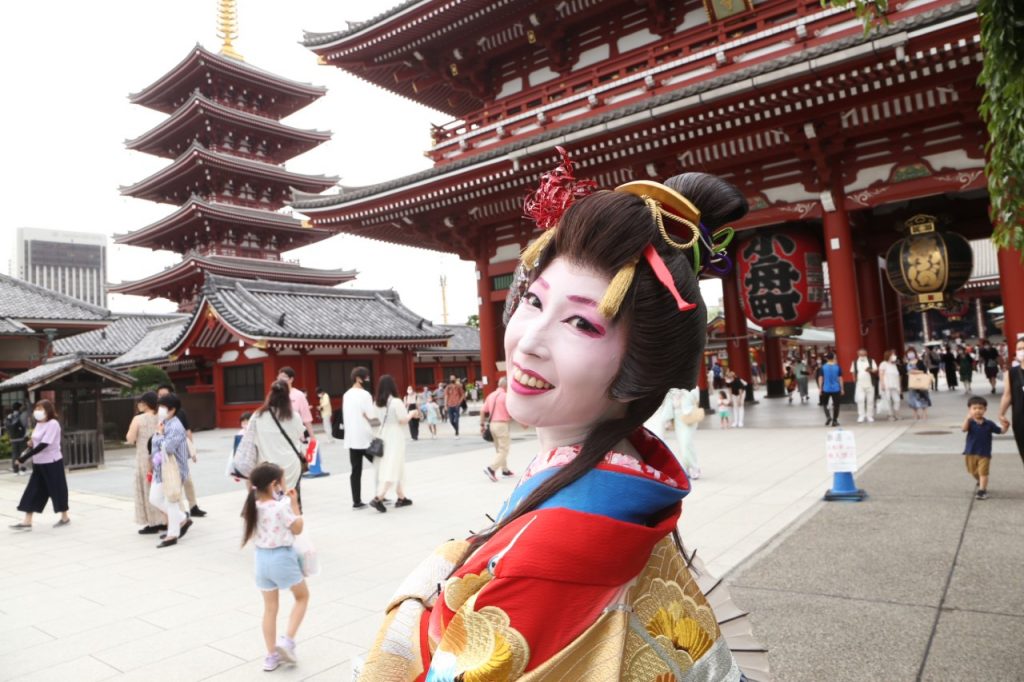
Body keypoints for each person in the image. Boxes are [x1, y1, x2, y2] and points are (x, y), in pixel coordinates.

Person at [356, 158, 765, 679]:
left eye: (580, 322)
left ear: (639, 363)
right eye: (532, 300)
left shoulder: (552, 553)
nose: (528, 341)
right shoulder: (627, 475)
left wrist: (437, 577)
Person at [241, 462, 309, 672]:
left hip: (261, 560)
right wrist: (295, 504)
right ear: (273, 484)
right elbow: (297, 528)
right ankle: (287, 641)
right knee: (302, 597)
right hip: (282, 557)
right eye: (281, 481)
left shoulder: (252, 507)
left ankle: (271, 656)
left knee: (270, 609)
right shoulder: (281, 507)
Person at [9, 400, 70, 531]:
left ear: (48, 410)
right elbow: (36, 442)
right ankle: (27, 521)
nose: (37, 411)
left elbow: (44, 444)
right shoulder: (39, 424)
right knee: (33, 490)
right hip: (39, 463)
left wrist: (24, 457)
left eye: (41, 408)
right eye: (37, 408)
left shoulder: (53, 424)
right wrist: (30, 443)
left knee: (57, 489)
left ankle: (65, 517)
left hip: (52, 462)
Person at [247, 381, 306, 510]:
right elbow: (299, 436)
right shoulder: (294, 416)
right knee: (291, 502)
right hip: (290, 466)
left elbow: (249, 436)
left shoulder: (258, 415)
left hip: (266, 467)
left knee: (266, 505)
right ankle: (294, 521)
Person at [149, 393, 193, 548]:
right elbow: (155, 446)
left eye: (164, 407)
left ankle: (172, 534)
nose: (160, 409)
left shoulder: (175, 426)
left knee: (171, 500)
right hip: (161, 468)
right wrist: (159, 434)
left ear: (173, 409)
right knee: (154, 498)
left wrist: (159, 435)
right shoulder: (164, 422)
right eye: (159, 406)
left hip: (174, 470)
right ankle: (181, 519)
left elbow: (167, 448)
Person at [156, 385, 207, 517]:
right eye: (159, 395)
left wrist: (192, 451)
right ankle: (183, 513)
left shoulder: (179, 413)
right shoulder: (161, 416)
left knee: (186, 480)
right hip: (168, 459)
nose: (161, 397)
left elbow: (187, 431)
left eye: (164, 395)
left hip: (178, 455)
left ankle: (192, 507)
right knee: (175, 485)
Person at [368, 374, 413, 513]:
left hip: (383, 434)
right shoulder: (396, 402)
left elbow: (374, 421)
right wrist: (412, 413)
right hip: (395, 435)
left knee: (394, 464)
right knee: (393, 464)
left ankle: (401, 496)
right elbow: (402, 420)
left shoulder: (376, 403)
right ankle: (379, 497)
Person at [125, 391, 165, 535]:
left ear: (146, 403)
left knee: (147, 488)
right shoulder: (162, 417)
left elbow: (130, 438)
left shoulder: (138, 419)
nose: (138, 405)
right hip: (161, 455)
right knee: (161, 488)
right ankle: (165, 519)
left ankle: (153, 523)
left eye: (140, 402)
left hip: (144, 457)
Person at [342, 367, 376, 509]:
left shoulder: (346, 395)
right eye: (365, 377)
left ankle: (356, 501)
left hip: (351, 439)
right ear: (358, 378)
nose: (367, 380)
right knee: (381, 464)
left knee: (355, 471)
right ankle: (381, 495)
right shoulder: (365, 395)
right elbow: (371, 416)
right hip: (366, 438)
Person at [961, 396, 1001, 500]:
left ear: (985, 410)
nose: (978, 410)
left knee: (983, 472)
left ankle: (982, 491)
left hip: (984, 453)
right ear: (970, 410)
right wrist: (967, 419)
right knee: (973, 471)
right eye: (974, 408)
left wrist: (1006, 426)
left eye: (980, 408)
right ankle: (979, 480)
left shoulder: (989, 423)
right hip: (971, 451)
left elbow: (1000, 431)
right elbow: (964, 429)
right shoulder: (970, 422)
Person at [997, 337, 1024, 469]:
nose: (1022, 351)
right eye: (1019, 349)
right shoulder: (1012, 373)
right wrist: (1001, 413)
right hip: (1020, 418)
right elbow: (1007, 395)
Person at [482, 377, 514, 481]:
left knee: (499, 449)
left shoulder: (490, 396)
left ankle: (505, 470)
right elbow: (512, 411)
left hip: (492, 425)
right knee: (504, 449)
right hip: (501, 425)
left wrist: (481, 425)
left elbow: (483, 411)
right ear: (505, 386)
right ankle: (491, 469)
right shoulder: (505, 396)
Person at [277, 368, 314, 443]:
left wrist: (312, 437)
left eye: (284, 376)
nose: (280, 378)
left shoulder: (299, 395)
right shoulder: (275, 394)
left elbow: (306, 417)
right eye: (279, 376)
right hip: (278, 435)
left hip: (295, 436)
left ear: (291, 379)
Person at [850, 348, 877, 423]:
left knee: (870, 400)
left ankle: (870, 416)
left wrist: (870, 370)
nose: (862, 356)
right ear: (858, 354)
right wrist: (854, 381)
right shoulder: (854, 362)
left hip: (870, 383)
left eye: (864, 354)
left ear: (866, 354)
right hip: (860, 384)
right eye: (860, 354)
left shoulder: (871, 361)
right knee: (860, 400)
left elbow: (875, 369)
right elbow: (853, 372)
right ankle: (861, 415)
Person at [906, 350, 932, 421]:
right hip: (912, 383)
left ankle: (924, 414)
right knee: (913, 399)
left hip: (921, 382)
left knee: (923, 398)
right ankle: (915, 414)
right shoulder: (907, 363)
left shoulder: (920, 362)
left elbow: (924, 370)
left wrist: (915, 372)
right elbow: (906, 372)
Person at [819, 352, 843, 427]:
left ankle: (828, 417)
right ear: (834, 358)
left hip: (826, 388)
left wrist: (820, 388)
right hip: (836, 388)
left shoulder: (823, 367)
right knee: (836, 405)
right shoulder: (838, 367)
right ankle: (835, 420)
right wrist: (842, 389)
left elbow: (821, 378)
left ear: (826, 358)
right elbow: (840, 378)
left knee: (825, 404)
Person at [5, 401, 29, 475]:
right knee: (22, 453)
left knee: (14, 454)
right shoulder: (22, 415)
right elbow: (25, 426)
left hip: (13, 438)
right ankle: (22, 469)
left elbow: (7, 426)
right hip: (21, 438)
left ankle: (15, 470)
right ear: (19, 408)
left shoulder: (9, 416)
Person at [878, 349, 902, 421]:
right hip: (886, 384)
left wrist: (899, 386)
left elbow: (897, 376)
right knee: (887, 400)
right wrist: (882, 384)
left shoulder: (894, 365)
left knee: (897, 400)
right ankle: (890, 414)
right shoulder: (883, 364)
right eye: (892, 355)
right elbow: (881, 374)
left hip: (894, 385)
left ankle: (896, 412)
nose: (894, 356)